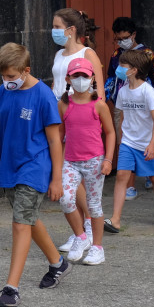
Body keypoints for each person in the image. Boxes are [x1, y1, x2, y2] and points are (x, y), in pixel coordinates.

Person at [0, 43, 69, 307]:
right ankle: (58, 264)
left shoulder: (43, 95)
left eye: (12, 76)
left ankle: (11, 288)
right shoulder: (3, 92)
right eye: (4, 76)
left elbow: (55, 140)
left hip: (34, 167)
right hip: (9, 167)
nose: (7, 81)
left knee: (20, 223)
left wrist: (56, 178)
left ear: (26, 70)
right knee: (28, 218)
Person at [50, 8, 104, 249]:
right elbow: (56, 87)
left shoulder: (88, 53)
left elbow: (98, 91)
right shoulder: (58, 55)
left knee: (77, 174)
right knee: (68, 176)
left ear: (71, 30)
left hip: (80, 119)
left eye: (57, 26)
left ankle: (89, 226)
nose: (53, 31)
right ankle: (80, 231)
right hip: (59, 117)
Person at [104, 17, 154, 202]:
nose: (121, 41)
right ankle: (130, 185)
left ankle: (151, 175)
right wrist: (104, 98)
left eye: (125, 37)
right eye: (118, 38)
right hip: (123, 104)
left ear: (133, 35)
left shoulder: (147, 53)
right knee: (124, 141)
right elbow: (111, 78)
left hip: (146, 105)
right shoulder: (116, 54)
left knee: (149, 140)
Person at [104, 49, 154, 232]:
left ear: (133, 70)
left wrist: (151, 144)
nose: (118, 68)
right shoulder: (123, 91)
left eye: (122, 65)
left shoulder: (147, 92)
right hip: (128, 143)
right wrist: (120, 139)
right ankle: (115, 219)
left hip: (148, 145)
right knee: (122, 176)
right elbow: (122, 117)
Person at [57, 58, 115, 265]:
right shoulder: (64, 105)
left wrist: (108, 159)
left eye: (84, 76)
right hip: (70, 161)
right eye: (76, 76)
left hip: (94, 161)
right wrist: (58, 164)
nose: (80, 80)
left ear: (92, 78)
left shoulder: (98, 105)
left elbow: (110, 132)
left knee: (94, 205)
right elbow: (60, 136)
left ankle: (97, 248)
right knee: (65, 199)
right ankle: (81, 237)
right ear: (68, 79)